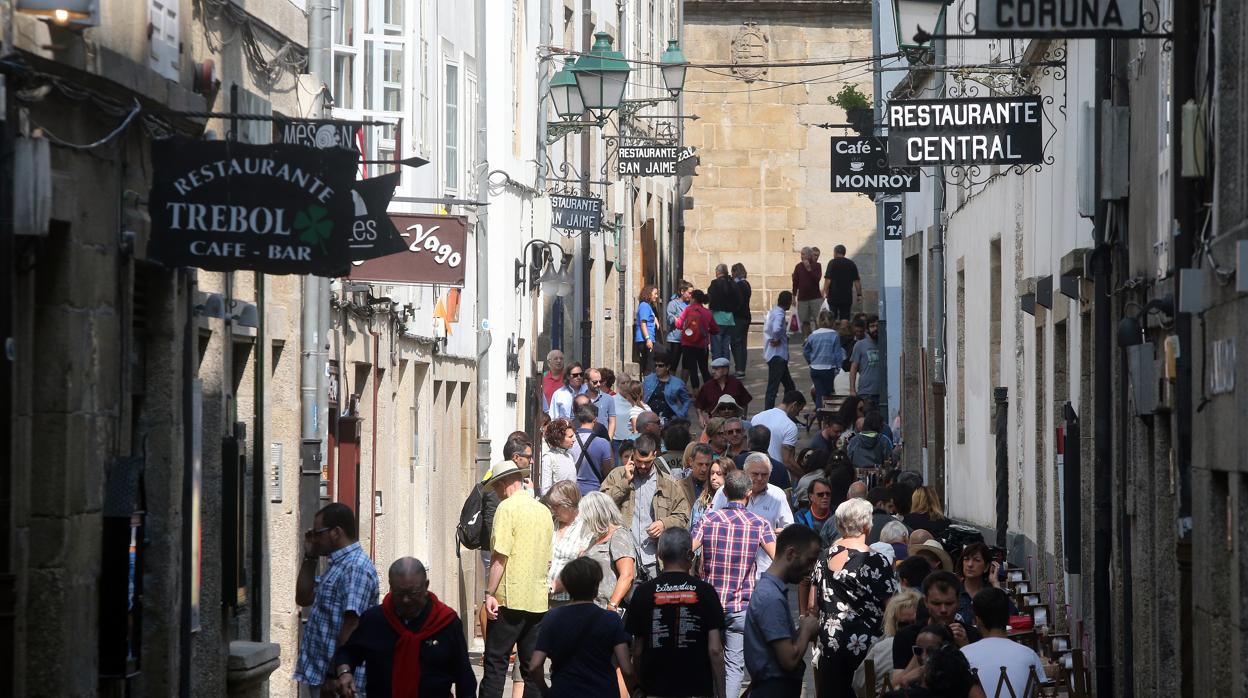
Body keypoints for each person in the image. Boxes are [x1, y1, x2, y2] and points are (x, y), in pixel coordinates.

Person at [330, 558, 475, 698]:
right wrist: (344, 672)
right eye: (399, 594)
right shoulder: (374, 620)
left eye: (413, 593)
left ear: (426, 586)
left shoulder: (446, 622)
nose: (406, 600)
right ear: (390, 587)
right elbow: (348, 652)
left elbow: (464, 678)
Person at [693, 469, 778, 698]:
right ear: (749, 493)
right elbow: (778, 558)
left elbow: (687, 549)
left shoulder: (708, 519)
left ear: (725, 491)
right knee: (734, 665)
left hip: (708, 604)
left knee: (706, 659)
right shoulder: (759, 524)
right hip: (740, 605)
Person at [809, 498, 900, 698]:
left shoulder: (823, 557)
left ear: (840, 524)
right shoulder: (877, 560)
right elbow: (892, 607)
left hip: (830, 641)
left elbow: (812, 605)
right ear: (867, 525)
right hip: (866, 646)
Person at [480, 459, 555, 698]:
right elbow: (548, 560)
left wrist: (488, 594)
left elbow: (500, 557)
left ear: (504, 484)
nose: (497, 494)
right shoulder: (543, 510)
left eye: (497, 488)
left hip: (509, 598)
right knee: (532, 668)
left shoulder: (507, 508)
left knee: (495, 664)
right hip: (537, 599)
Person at [626, 527, 727, 698]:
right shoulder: (705, 591)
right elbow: (715, 650)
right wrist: (721, 693)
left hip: (655, 689)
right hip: (696, 689)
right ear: (690, 554)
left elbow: (637, 650)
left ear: (659, 554)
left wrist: (638, 687)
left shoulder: (643, 592)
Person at [294, 503, 381, 697]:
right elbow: (303, 597)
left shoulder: (355, 568)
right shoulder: (338, 565)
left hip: (338, 684)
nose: (314, 539)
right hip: (322, 676)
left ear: (336, 532)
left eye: (318, 533)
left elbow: (352, 624)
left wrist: (336, 673)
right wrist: (310, 556)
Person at [530, 557, 636, 698]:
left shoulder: (553, 617)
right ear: (597, 584)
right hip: (603, 691)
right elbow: (626, 668)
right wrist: (636, 692)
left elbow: (535, 665)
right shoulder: (610, 619)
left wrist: (545, 691)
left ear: (567, 585)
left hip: (564, 691)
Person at [744, 524, 823, 698]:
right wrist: (806, 629)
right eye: (810, 560)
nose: (811, 569)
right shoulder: (771, 597)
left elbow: (778, 645)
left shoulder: (772, 592)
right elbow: (789, 660)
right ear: (790, 554)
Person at [600, 433, 691, 579]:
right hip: (622, 558)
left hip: (655, 561)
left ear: (655, 455)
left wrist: (664, 523)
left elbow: (683, 516)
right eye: (638, 461)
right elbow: (601, 507)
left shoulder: (668, 483)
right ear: (632, 456)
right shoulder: (616, 476)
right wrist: (624, 482)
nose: (642, 466)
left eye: (647, 462)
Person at [891, 571, 983, 683]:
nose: (943, 610)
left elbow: (982, 679)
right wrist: (921, 650)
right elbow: (896, 684)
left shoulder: (970, 634)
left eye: (949, 603)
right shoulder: (906, 635)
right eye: (936, 604)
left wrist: (965, 647)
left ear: (958, 602)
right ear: (926, 602)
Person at [712, 452, 795, 577]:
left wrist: (783, 533)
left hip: (764, 569)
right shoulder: (725, 491)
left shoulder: (777, 495)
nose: (760, 478)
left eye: (764, 474)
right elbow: (711, 522)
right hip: (730, 567)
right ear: (745, 473)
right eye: (755, 474)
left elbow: (790, 528)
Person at [962, 587, 1047, 698]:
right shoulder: (1029, 654)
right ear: (1008, 617)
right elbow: (1041, 690)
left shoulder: (963, 655)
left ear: (978, 620)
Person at [853, 589, 922, 698]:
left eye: (915, 624)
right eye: (904, 625)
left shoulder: (880, 647)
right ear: (894, 623)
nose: (910, 630)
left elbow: (860, 686)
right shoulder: (881, 647)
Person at [577, 491, 639, 611]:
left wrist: (612, 605)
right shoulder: (595, 538)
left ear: (596, 514)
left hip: (607, 609)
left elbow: (627, 575)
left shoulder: (619, 535)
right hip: (591, 607)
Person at [886, 631, 985, 698]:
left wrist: (905, 682)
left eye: (930, 652)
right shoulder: (964, 687)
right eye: (918, 650)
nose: (923, 657)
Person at [545, 481, 589, 607]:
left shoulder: (585, 528)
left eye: (556, 506)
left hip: (569, 600)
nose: (553, 510)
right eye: (551, 506)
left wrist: (554, 587)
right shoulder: (551, 523)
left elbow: (580, 567)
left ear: (569, 504)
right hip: (542, 597)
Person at [751, 390, 806, 481]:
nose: (798, 414)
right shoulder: (790, 426)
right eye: (799, 410)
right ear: (794, 405)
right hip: (776, 475)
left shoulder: (757, 417)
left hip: (754, 471)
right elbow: (787, 461)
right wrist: (804, 477)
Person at [956, 543, 1013, 623]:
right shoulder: (955, 591)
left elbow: (1012, 615)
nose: (970, 564)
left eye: (977, 560)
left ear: (986, 567)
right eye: (966, 559)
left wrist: (996, 584)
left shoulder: (991, 592)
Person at [676, 289, 720, 389]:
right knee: (704, 369)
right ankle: (711, 390)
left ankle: (695, 391)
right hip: (702, 345)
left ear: (694, 299)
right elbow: (716, 329)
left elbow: (679, 325)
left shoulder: (687, 309)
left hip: (688, 344)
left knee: (693, 369)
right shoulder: (708, 312)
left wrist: (676, 321)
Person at [763, 291, 797, 410]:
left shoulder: (773, 311)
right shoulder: (780, 314)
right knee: (773, 388)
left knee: (789, 386)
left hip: (775, 355)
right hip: (778, 355)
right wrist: (776, 338)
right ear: (788, 302)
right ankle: (769, 412)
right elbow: (776, 329)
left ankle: (787, 409)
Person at [570, 403, 614, 495]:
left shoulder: (570, 441)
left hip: (573, 491)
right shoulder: (603, 443)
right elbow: (607, 472)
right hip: (595, 491)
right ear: (595, 420)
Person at [694, 357, 753, 426]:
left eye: (716, 369)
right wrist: (700, 417)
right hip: (715, 425)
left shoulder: (736, 384)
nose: (713, 372)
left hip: (733, 424)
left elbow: (744, 402)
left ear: (725, 370)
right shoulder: (707, 386)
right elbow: (699, 406)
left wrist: (743, 418)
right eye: (713, 369)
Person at [804, 311, 846, 406]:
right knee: (829, 394)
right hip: (828, 368)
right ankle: (828, 415)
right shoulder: (834, 335)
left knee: (819, 394)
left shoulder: (813, 335)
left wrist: (810, 361)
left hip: (815, 368)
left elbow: (806, 350)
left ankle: (819, 414)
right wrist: (839, 368)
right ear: (832, 321)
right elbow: (837, 354)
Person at [732, 424, 791, 490]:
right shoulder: (780, 467)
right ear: (768, 443)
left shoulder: (736, 461)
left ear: (748, 442)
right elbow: (787, 496)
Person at [642, 353, 692, 423]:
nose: (657, 368)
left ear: (668, 367)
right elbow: (640, 396)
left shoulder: (678, 383)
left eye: (660, 366)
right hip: (649, 417)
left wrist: (681, 414)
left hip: (668, 419)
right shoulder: (648, 379)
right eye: (655, 365)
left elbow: (686, 400)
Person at [708, 263, 742, 362]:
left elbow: (710, 299)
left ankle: (718, 370)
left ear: (718, 272)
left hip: (717, 319)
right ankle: (725, 371)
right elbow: (739, 299)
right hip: (729, 319)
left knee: (717, 347)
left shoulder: (715, 283)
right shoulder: (732, 283)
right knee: (725, 347)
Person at [822, 244, 862, 321]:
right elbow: (857, 281)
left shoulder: (832, 263)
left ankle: (834, 332)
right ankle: (844, 332)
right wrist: (859, 295)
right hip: (847, 297)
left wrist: (825, 292)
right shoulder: (851, 264)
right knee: (845, 319)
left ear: (835, 252)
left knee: (832, 318)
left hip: (833, 297)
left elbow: (828, 280)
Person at [679, 443, 715, 526]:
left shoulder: (717, 488)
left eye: (707, 464)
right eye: (700, 464)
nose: (704, 469)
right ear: (691, 462)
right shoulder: (679, 487)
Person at [539, 418, 577, 495]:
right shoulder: (548, 458)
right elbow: (545, 491)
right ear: (559, 438)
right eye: (570, 437)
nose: (574, 439)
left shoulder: (570, 456)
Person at [849, 315, 882, 405]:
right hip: (866, 393)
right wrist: (852, 390)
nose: (875, 329)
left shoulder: (885, 344)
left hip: (883, 392)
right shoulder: (859, 345)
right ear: (867, 329)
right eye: (872, 326)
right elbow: (854, 368)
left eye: (877, 325)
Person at [792, 246, 825, 336]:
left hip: (815, 298)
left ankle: (818, 337)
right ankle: (807, 338)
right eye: (801, 254)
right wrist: (793, 296)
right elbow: (795, 282)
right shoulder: (798, 267)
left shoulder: (817, 266)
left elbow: (817, 279)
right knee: (804, 321)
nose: (801, 256)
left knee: (817, 319)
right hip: (802, 299)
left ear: (809, 255)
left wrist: (809, 269)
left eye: (803, 254)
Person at [613, 376, 647, 455]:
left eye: (628, 382)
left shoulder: (639, 403)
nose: (626, 385)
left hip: (634, 441)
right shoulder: (612, 399)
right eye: (623, 383)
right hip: (618, 440)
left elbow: (636, 431)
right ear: (617, 385)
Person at [730, 262, 753, 378]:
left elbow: (737, 302)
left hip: (739, 317)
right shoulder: (746, 284)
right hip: (746, 316)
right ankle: (741, 368)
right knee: (742, 344)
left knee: (736, 343)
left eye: (732, 272)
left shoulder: (739, 285)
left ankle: (739, 369)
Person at [666, 281, 693, 375]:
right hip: (676, 338)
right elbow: (670, 319)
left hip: (688, 339)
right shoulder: (673, 304)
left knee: (687, 364)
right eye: (689, 293)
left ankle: (683, 385)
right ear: (682, 291)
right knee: (673, 363)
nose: (691, 295)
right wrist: (677, 320)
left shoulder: (691, 305)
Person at [584, 368, 617, 437]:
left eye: (600, 381)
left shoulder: (609, 398)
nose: (599, 384)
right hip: (584, 440)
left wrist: (609, 439)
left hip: (603, 439)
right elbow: (574, 420)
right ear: (586, 382)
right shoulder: (580, 399)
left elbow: (612, 421)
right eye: (595, 382)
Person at [636, 285, 661, 373]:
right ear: (649, 294)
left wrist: (655, 318)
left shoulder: (648, 306)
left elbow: (650, 316)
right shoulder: (644, 306)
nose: (657, 296)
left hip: (649, 338)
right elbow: (643, 323)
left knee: (650, 363)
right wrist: (648, 339)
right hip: (645, 340)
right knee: (649, 366)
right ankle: (648, 385)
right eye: (655, 294)